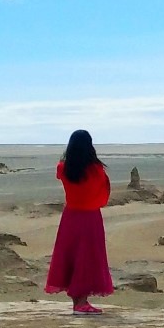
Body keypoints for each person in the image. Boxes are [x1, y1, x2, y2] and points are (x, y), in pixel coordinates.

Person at [45, 129, 114, 314]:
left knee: (72, 255)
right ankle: (81, 302)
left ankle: (78, 302)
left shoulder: (63, 167)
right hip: (90, 217)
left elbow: (65, 176)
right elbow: (103, 193)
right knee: (88, 258)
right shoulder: (96, 169)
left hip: (70, 216)